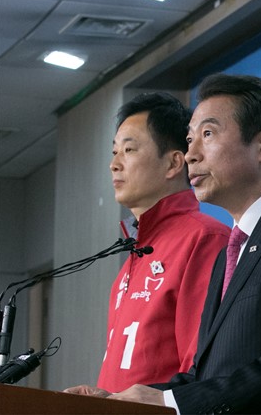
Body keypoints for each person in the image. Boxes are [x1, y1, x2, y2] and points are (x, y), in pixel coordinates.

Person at [68, 74, 261, 414]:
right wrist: (122, 400)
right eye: (191, 139)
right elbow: (201, 375)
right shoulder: (229, 254)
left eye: (207, 135)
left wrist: (170, 401)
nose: (191, 154)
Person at [87, 93, 230, 392]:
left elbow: (201, 370)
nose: (114, 164)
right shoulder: (132, 257)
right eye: (114, 151)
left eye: (129, 149)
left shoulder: (204, 239)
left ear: (173, 163)